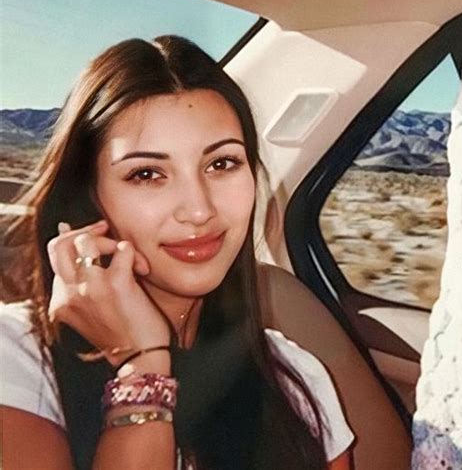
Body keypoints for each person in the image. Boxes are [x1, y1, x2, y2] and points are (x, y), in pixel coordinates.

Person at [1, 36, 354, 470]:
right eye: (147, 174)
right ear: (88, 196)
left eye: (221, 164)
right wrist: (141, 368)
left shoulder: (294, 377)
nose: (199, 210)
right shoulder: (14, 358)